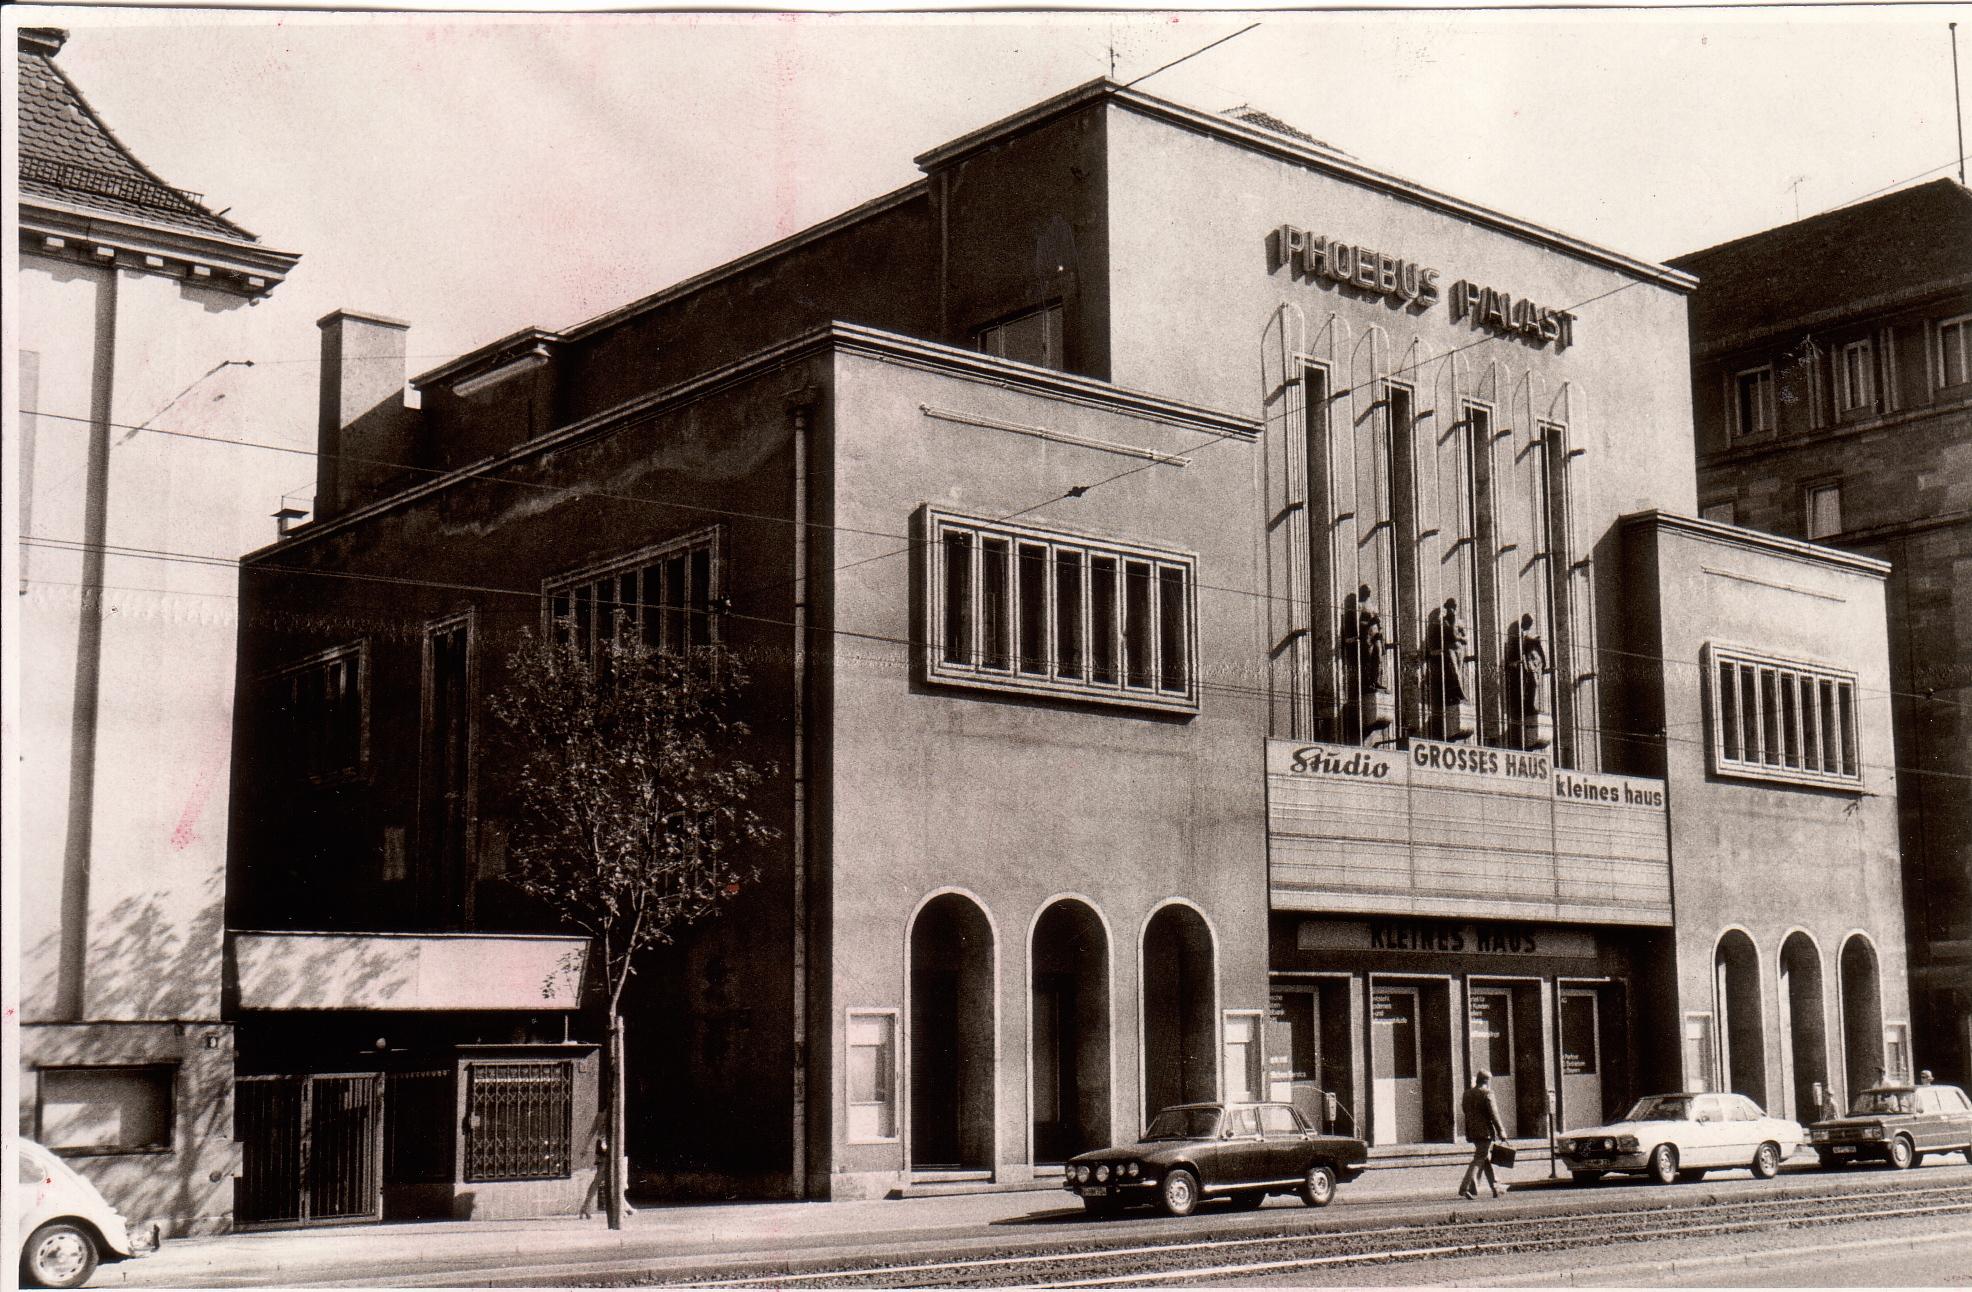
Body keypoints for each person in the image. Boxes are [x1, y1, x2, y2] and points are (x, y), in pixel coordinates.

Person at [1459, 1071, 1508, 1200]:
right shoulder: (1488, 1094)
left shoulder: (1467, 1094)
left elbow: (1465, 1110)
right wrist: (1501, 1131)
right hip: (1485, 1132)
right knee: (1480, 1158)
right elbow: (1494, 1114)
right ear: (1487, 1081)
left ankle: (1496, 1187)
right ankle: (1466, 1187)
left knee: (1485, 1158)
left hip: (1472, 1131)